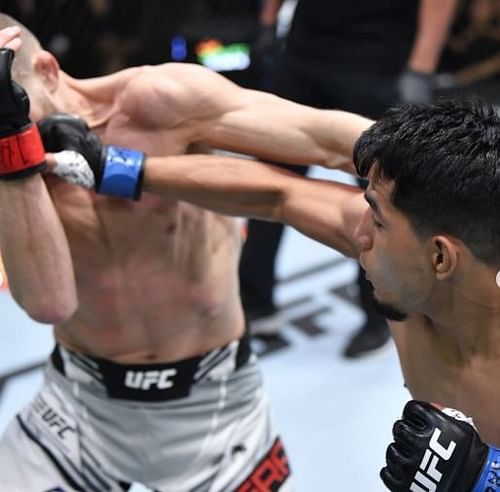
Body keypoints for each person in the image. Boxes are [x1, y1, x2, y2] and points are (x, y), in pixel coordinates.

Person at [42, 93, 500, 490]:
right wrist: (111, 167)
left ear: (441, 258)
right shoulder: (413, 272)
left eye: (377, 221)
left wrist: (486, 481)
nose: (356, 234)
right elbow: (276, 194)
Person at [0, 13, 369, 490]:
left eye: (15, 105)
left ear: (48, 71)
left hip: (216, 405)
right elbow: (51, 303)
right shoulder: (5, 158)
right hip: (78, 407)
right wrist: (11, 150)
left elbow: (328, 140)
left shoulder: (155, 102)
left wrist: (442, 162)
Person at [241, 0, 458, 358]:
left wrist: (420, 68)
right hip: (305, 49)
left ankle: (380, 313)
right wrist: (267, 19)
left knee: (382, 197)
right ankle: (255, 299)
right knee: (270, 173)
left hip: (377, 58)